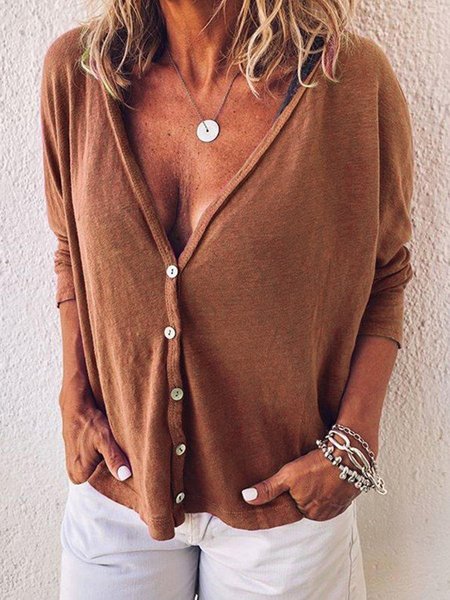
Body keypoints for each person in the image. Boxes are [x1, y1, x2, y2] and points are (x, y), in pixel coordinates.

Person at [40, 0, 415, 598]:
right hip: (116, 497)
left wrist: (354, 441)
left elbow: (386, 272)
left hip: (285, 517)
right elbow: (71, 249)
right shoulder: (79, 73)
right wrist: (74, 396)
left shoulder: (347, 83)